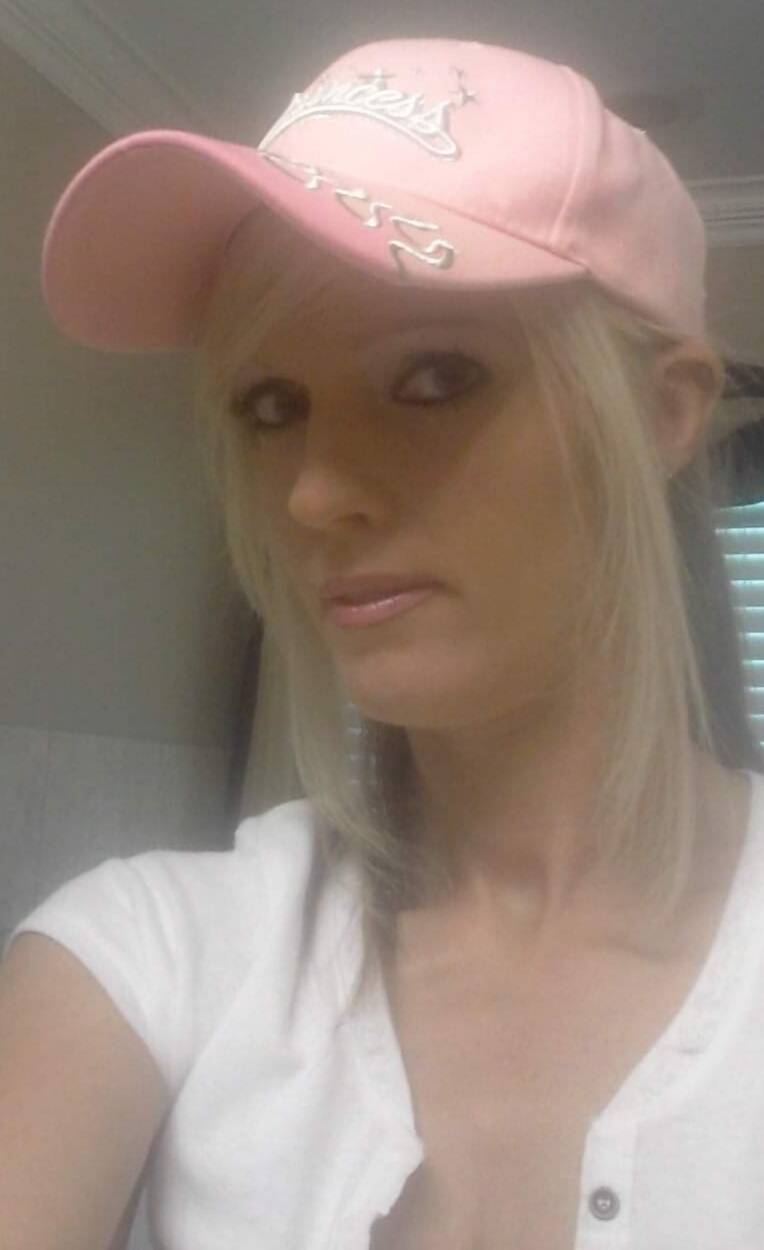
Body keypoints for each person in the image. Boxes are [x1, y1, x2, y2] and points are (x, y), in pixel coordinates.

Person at [2, 34, 764, 1250]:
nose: (311, 494)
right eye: (271, 406)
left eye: (434, 377)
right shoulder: (149, 958)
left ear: (662, 413)